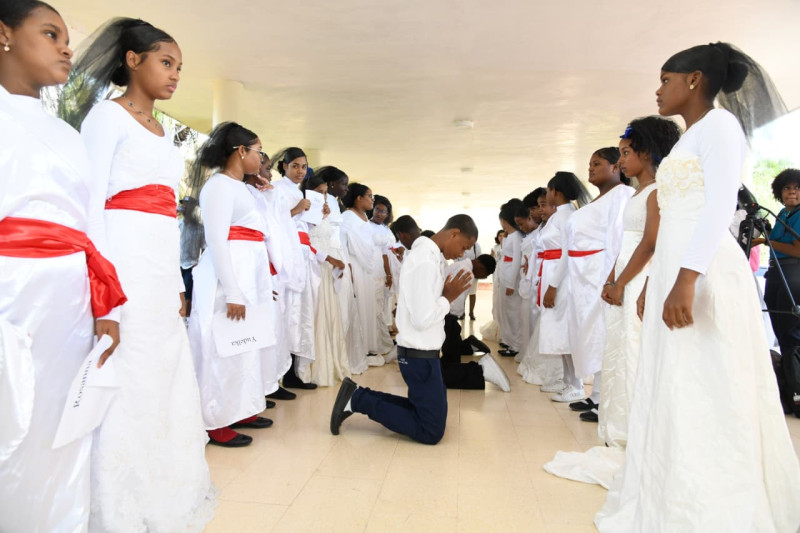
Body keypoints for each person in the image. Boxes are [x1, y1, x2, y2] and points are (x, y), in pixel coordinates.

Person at [596, 42, 800, 532]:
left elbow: (717, 209)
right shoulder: (688, 140)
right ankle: (673, 483)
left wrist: (686, 278)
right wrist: (654, 283)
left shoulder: (721, 127)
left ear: (693, 80)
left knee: (709, 380)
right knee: (676, 381)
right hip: (675, 268)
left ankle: (715, 499)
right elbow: (668, 221)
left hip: (704, 272)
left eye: (665, 79)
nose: (658, 90)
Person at [73, 17, 216, 530]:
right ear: (132, 61)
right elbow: (89, 211)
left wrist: (178, 283)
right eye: (166, 62)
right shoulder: (106, 120)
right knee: (127, 376)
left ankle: (163, 488)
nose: (175, 74)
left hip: (158, 272)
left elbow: (165, 216)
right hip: (122, 265)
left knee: (162, 376)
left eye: (179, 67)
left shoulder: (161, 132)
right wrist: (104, 296)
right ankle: (117, 504)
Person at [0, 3, 125, 530]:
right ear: (3, 35)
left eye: (65, 37)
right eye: (50, 34)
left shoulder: (69, 135)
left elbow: (91, 226)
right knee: (12, 420)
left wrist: (106, 305)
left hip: (72, 297)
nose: (67, 48)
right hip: (11, 289)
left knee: (62, 423)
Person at [330, 215, 477, 444]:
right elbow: (422, 318)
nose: (462, 254)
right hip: (418, 355)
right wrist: (447, 298)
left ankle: (357, 395)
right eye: (464, 247)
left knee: (431, 415)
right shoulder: (425, 261)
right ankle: (358, 400)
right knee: (431, 431)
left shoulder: (430, 256)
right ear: (454, 233)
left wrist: (443, 296)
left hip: (424, 352)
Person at [187, 123, 282, 450]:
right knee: (222, 348)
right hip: (229, 276)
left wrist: (262, 191)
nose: (262, 159)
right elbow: (216, 239)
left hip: (249, 272)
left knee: (244, 344)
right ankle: (215, 419)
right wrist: (233, 291)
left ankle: (238, 408)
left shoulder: (243, 187)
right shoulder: (219, 187)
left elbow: (259, 229)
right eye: (258, 152)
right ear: (240, 152)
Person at [596, 116, 682, 443]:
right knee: (618, 345)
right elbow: (625, 242)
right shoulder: (637, 193)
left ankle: (633, 429)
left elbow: (650, 243)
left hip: (639, 276)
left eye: (626, 152)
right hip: (624, 273)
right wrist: (611, 277)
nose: (621, 160)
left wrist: (621, 283)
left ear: (647, 153)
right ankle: (615, 422)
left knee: (633, 346)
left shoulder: (657, 192)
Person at [563, 147, 633, 419]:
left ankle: (606, 399)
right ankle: (595, 396)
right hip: (583, 275)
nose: (590, 169)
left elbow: (617, 240)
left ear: (616, 167)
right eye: (589, 164)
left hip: (600, 272)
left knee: (604, 334)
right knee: (591, 336)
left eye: (597, 163)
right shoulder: (598, 199)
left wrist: (612, 279)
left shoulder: (622, 195)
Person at [273, 147, 328, 389]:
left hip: (303, 258)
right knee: (287, 315)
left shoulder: (301, 192)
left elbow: (306, 228)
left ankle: (295, 373)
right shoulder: (275, 190)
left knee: (301, 316)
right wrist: (297, 209)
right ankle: (277, 376)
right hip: (286, 259)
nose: (300, 171)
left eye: (304, 166)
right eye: (295, 165)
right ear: (284, 166)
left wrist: (319, 213)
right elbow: (272, 222)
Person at [540, 172, 591, 400]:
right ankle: (567, 380)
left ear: (556, 192)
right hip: (552, 275)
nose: (547, 194)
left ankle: (577, 385)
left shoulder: (568, 215)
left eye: (549, 190)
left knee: (565, 332)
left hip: (560, 279)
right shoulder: (557, 216)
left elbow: (565, 255)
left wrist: (552, 285)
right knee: (558, 332)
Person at [757, 168, 800, 416]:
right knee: (782, 334)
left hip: (793, 275)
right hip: (776, 274)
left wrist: (766, 241)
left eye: (796, 188)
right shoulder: (784, 213)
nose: (791, 192)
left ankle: (797, 393)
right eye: (787, 188)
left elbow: (797, 249)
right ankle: (790, 390)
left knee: (792, 335)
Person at [302, 170, 350, 387]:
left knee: (329, 314)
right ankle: (313, 368)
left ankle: (330, 363)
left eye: (323, 193)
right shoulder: (303, 215)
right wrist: (330, 258)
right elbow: (305, 243)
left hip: (327, 269)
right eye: (317, 192)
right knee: (317, 315)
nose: (321, 197)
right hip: (314, 268)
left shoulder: (322, 215)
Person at [323, 167, 371, 377]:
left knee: (347, 312)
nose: (345, 188)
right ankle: (335, 357)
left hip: (342, 260)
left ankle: (343, 356)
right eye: (343, 183)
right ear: (331, 184)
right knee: (340, 311)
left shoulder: (334, 204)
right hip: (335, 260)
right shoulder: (326, 203)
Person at [341, 183, 385, 368]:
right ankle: (356, 350)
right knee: (358, 307)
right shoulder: (347, 217)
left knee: (367, 306)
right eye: (369, 195)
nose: (372, 199)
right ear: (358, 198)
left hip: (366, 268)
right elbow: (348, 245)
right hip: (355, 266)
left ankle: (366, 347)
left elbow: (371, 241)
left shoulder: (364, 218)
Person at [367, 194, 398, 359]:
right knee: (374, 307)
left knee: (383, 306)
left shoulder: (386, 229)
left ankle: (381, 338)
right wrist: (387, 272)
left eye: (383, 211)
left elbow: (389, 251)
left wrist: (390, 272)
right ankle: (372, 342)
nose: (379, 213)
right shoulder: (367, 226)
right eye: (377, 209)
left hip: (385, 269)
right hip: (374, 268)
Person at [497, 199, 525, 357]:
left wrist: (511, 284)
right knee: (507, 312)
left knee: (513, 313)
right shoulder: (511, 236)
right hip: (505, 277)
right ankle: (510, 341)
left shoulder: (516, 237)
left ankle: (516, 345)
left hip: (511, 280)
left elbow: (516, 261)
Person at [179, 195, 203, 318]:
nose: (184, 207)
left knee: (188, 292)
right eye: (183, 205)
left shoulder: (199, 228)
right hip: (177, 264)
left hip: (191, 264)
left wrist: (200, 265)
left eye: (187, 205)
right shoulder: (177, 224)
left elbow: (204, 248)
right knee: (177, 290)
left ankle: (187, 317)